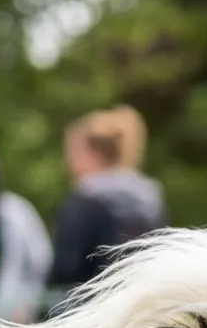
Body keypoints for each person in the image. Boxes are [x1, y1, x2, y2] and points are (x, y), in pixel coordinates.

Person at [48, 106, 166, 288]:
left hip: (88, 307)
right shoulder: (149, 201)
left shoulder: (85, 201)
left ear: (95, 154)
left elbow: (66, 270)